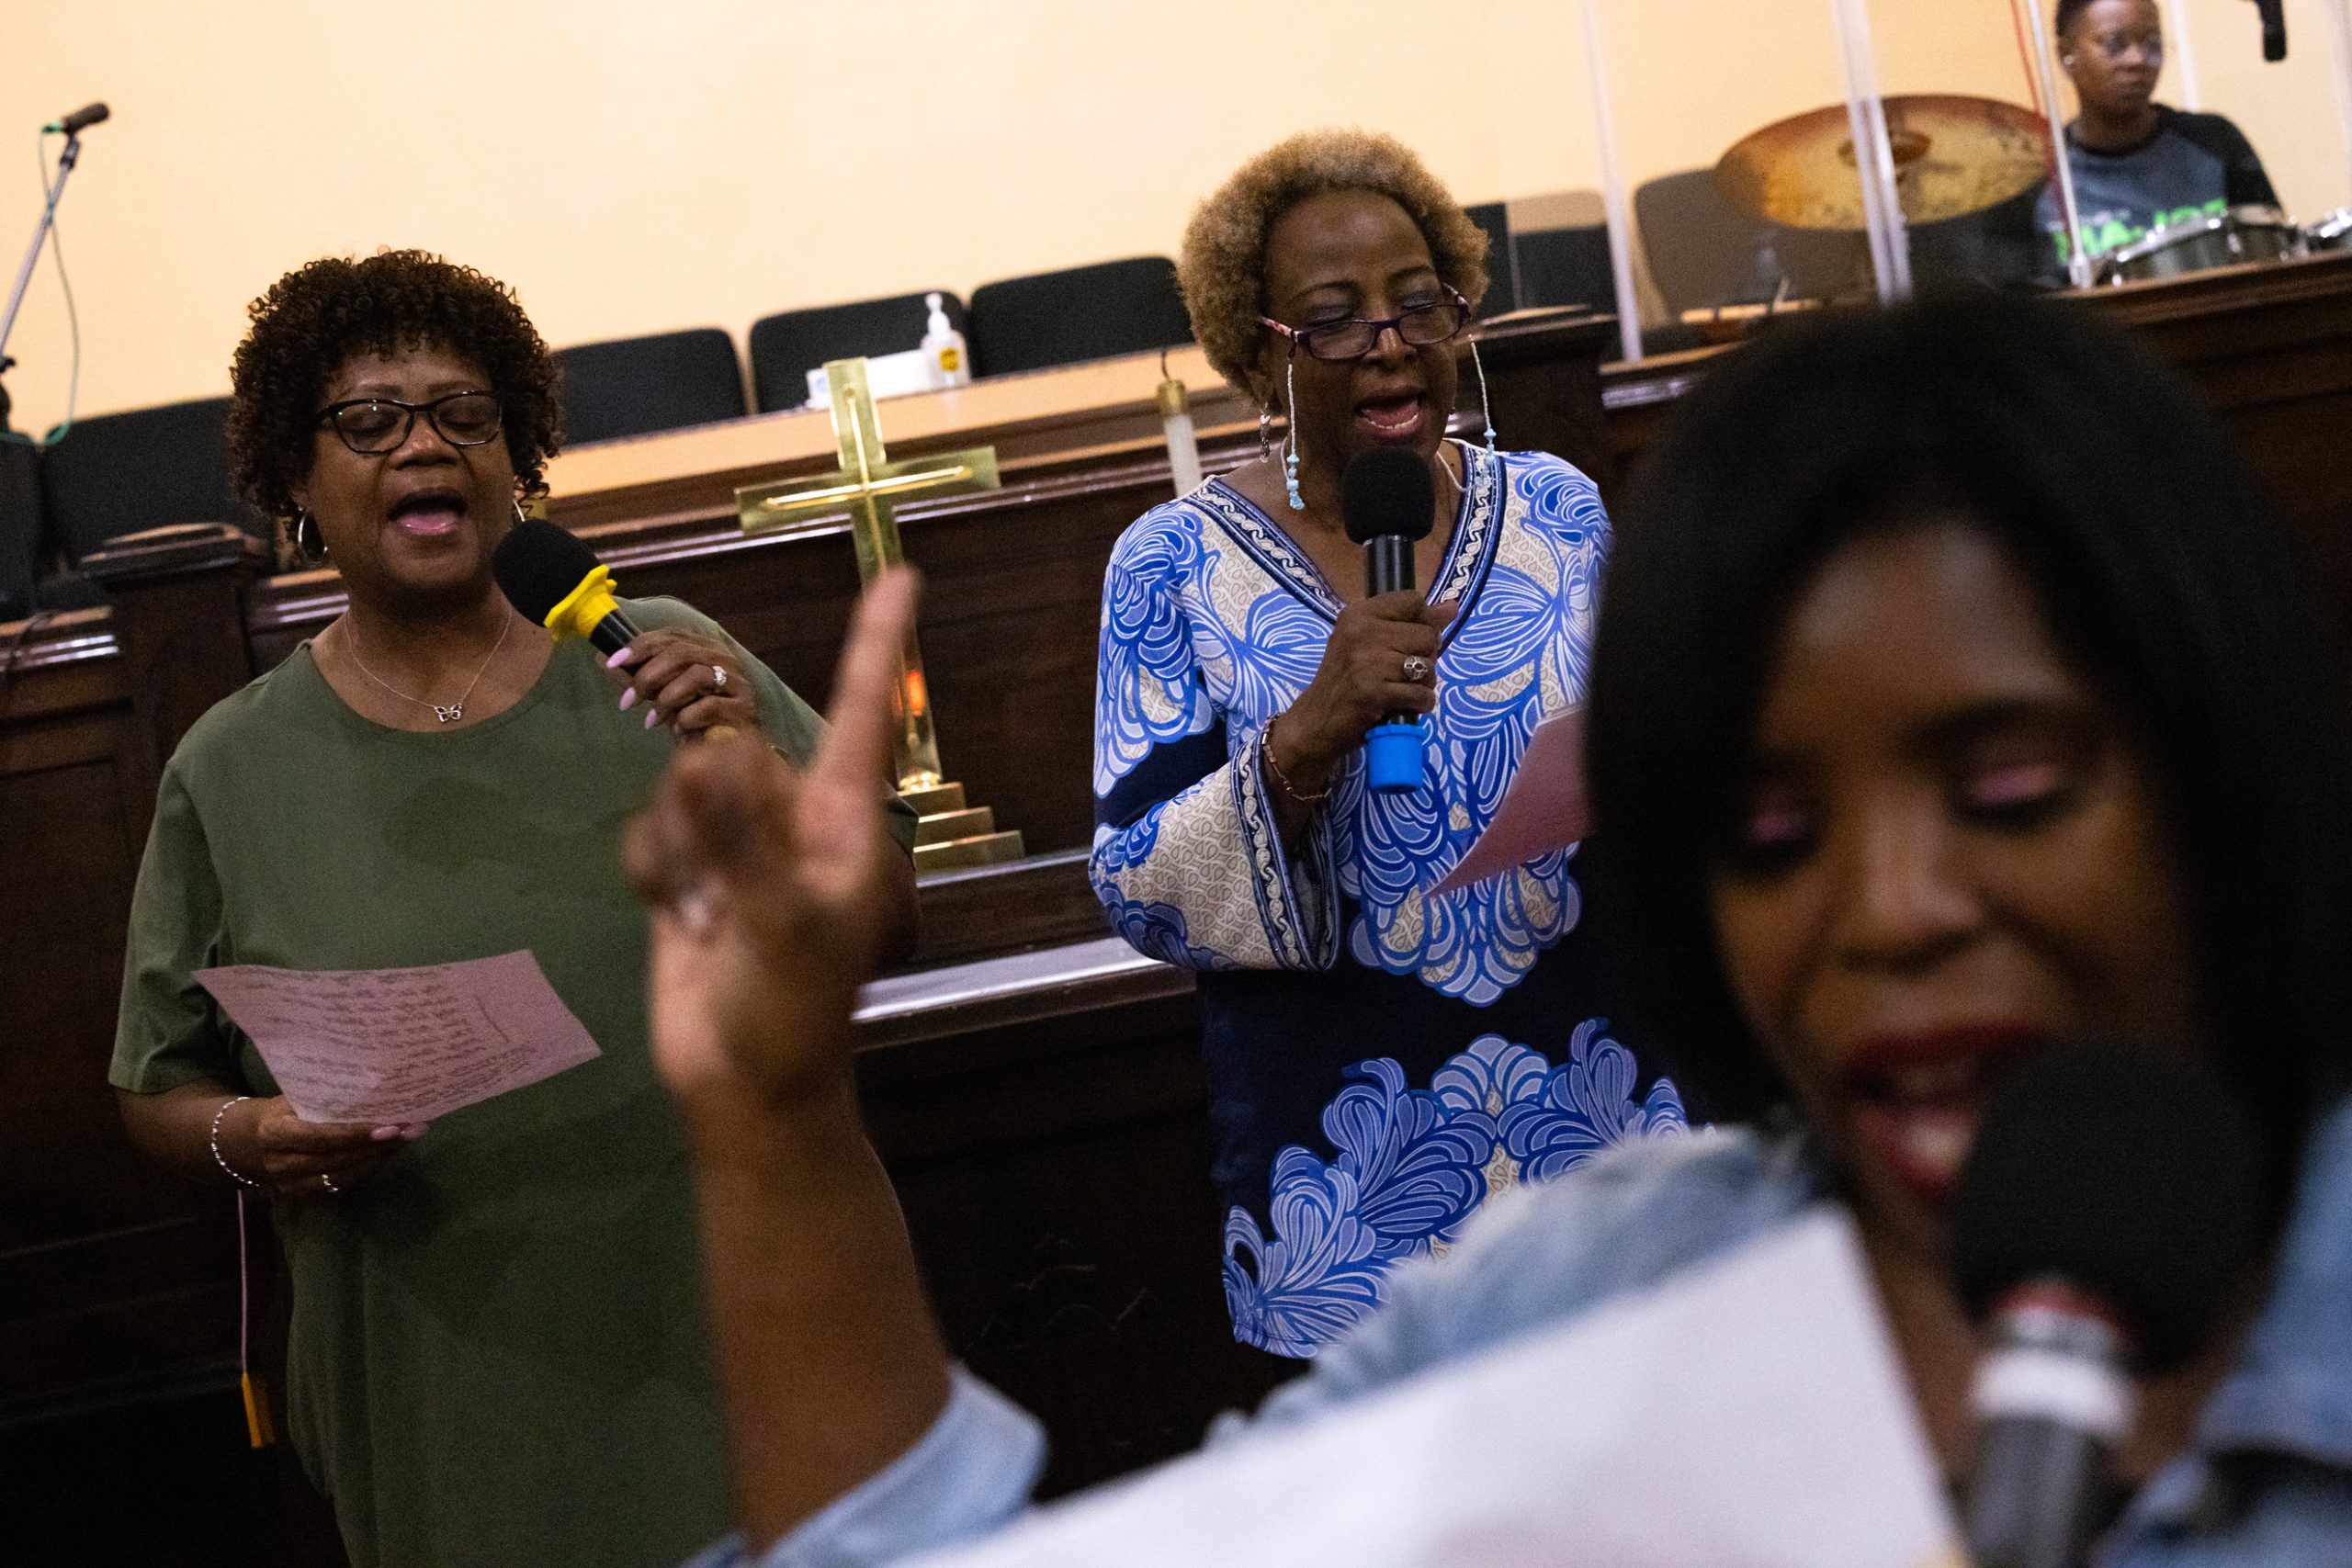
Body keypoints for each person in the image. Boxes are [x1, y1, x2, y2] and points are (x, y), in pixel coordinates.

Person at [639, 290, 2352, 1566]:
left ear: (2219, 763)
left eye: (2012, 787)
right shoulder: (1590, 1302)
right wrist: (775, 1116)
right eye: (1771, 829)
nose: (1889, 914)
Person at [107, 250, 916, 1568]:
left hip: (737, 1302)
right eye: (369, 422)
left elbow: (886, 918)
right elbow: (154, 1083)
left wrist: (765, 784)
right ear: (295, 483)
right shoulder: (231, 764)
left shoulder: (659, 659)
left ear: (517, 452)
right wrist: (249, 1134)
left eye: (463, 414)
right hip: (444, 1367)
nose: (423, 446)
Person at [1089, 129, 1683, 1358]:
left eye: (1421, 303)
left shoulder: (1560, 507)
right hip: (1351, 1182)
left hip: (1605, 1123)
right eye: (1335, 317)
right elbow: (1138, 881)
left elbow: (1655, 742)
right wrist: (1305, 736)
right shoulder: (1171, 563)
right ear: (1259, 346)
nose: (1390, 341)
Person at [2035, 0, 2279, 277]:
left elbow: (2275, 249)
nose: (2137, 59)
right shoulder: (2038, 176)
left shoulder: (2214, 141)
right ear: (2067, 56)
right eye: (2115, 44)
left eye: (2152, 44)